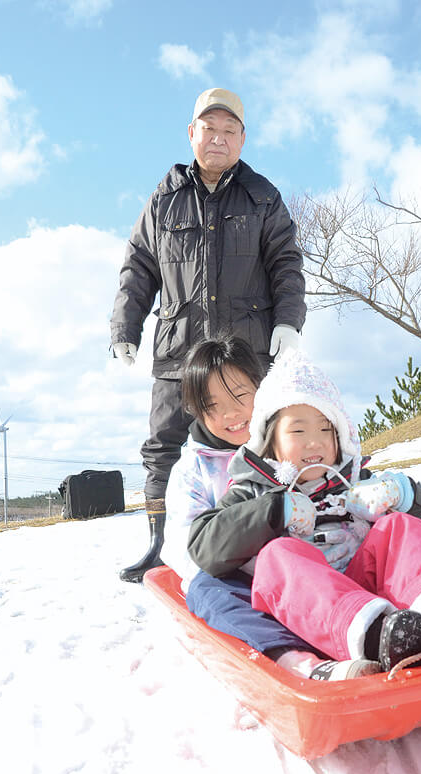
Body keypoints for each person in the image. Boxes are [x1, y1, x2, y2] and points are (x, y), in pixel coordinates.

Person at [187, 349, 421, 673]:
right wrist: (271, 511)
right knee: (278, 554)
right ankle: (375, 638)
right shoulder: (252, 489)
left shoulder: (356, 482)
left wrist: (404, 495)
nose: (314, 442)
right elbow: (204, 545)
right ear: (270, 440)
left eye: (326, 430)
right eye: (298, 431)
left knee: (399, 525)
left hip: (376, 598)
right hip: (314, 611)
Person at [110, 87, 306, 583]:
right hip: (179, 352)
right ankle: (158, 544)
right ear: (192, 133)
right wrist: (125, 327)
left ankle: (268, 536)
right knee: (162, 445)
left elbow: (286, 262)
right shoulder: (165, 198)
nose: (217, 140)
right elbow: (138, 266)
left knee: (260, 440)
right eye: (209, 130)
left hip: (245, 354)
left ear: (242, 138)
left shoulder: (263, 197)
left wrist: (288, 321)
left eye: (228, 131)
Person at [160, 335, 381, 681]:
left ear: (262, 390)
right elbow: (187, 547)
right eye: (212, 405)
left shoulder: (289, 442)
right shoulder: (194, 470)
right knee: (206, 588)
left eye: (239, 395)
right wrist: (254, 557)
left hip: (319, 566)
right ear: (198, 411)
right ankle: (298, 659)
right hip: (244, 579)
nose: (230, 413)